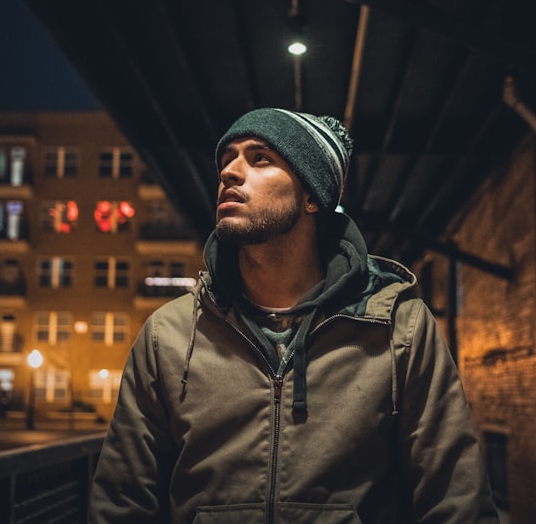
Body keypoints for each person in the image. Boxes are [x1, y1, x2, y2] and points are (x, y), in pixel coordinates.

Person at [89, 108, 499, 523]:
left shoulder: (396, 328)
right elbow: (122, 501)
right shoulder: (171, 333)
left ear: (312, 198)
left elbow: (454, 500)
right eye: (227, 158)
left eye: (260, 157)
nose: (229, 172)